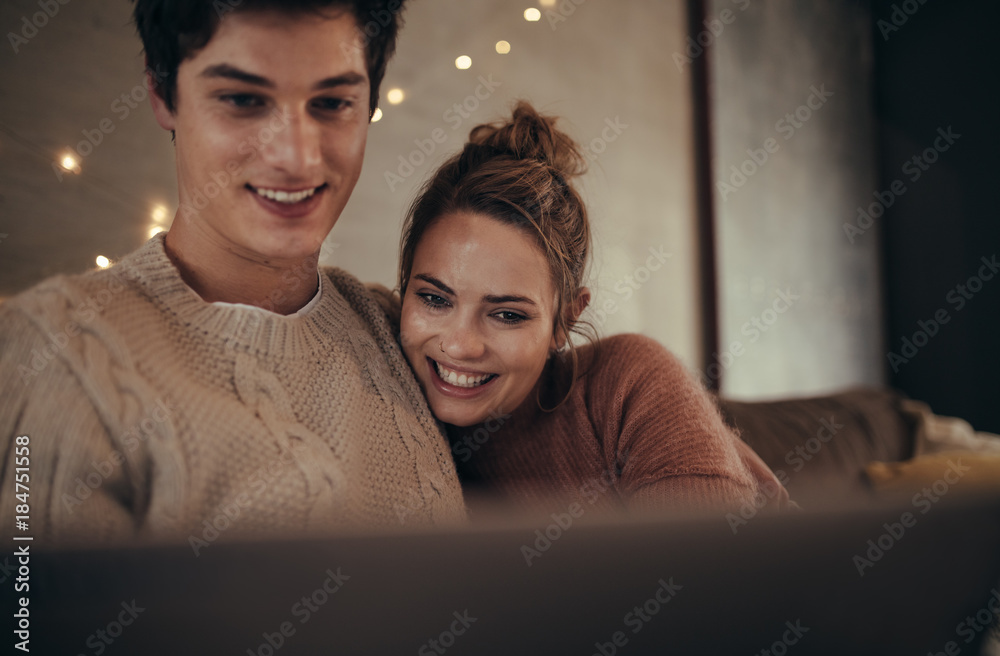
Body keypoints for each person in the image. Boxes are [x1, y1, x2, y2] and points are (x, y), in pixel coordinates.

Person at [0, 0, 465, 546]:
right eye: (244, 100)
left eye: (333, 102)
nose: (295, 156)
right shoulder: (59, 352)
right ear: (161, 94)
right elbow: (30, 626)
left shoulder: (393, 326)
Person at [390, 101, 790, 515]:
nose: (459, 346)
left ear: (564, 321)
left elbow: (709, 570)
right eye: (435, 299)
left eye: (507, 314)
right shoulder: (386, 391)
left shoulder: (627, 383)